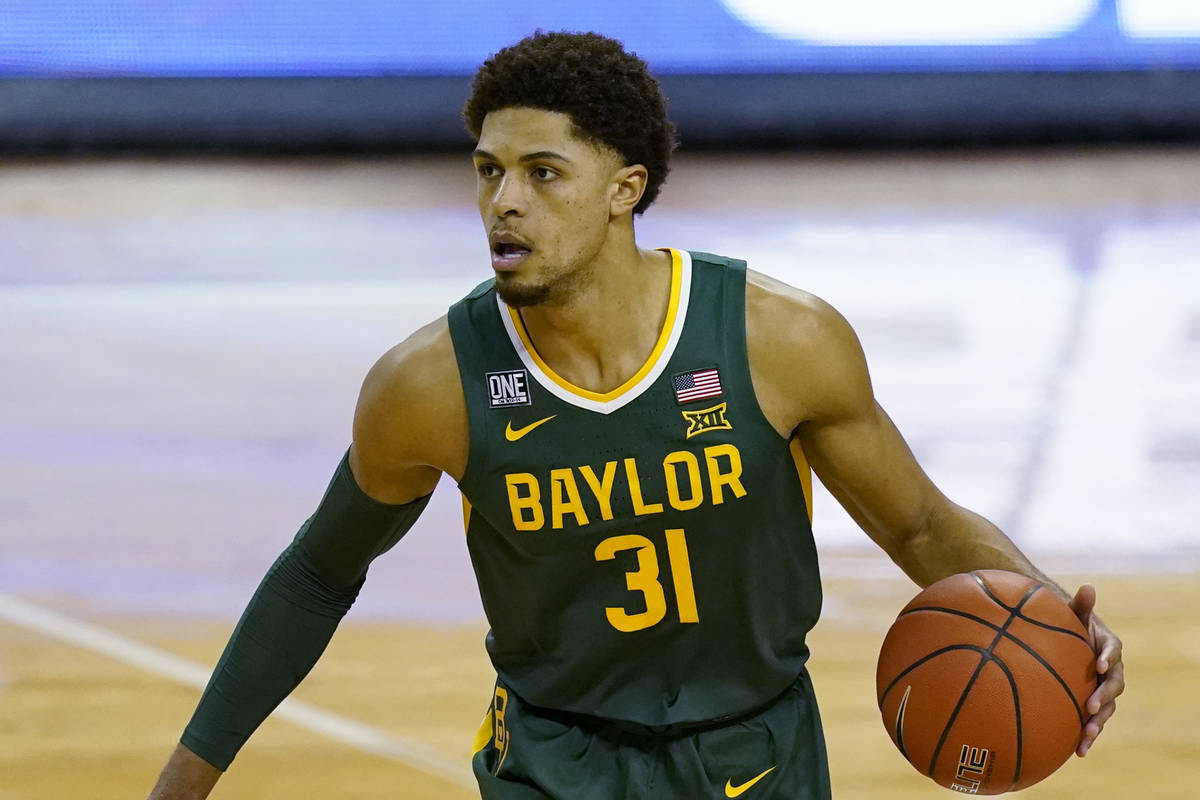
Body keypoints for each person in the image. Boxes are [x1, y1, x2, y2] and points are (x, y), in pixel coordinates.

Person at [147, 31, 1124, 800]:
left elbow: (918, 522)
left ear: (626, 189)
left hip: (758, 755)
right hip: (554, 761)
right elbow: (319, 571)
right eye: (488, 170)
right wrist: (182, 782)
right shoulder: (429, 384)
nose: (504, 203)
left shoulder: (777, 340)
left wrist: (1056, 626)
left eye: (542, 172)